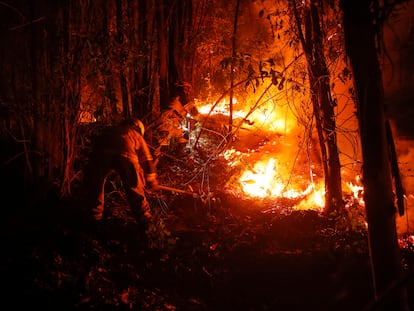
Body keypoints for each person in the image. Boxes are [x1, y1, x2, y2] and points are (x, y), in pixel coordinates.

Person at [83, 118, 159, 235]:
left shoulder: (109, 130)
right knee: (134, 186)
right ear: (137, 128)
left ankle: (94, 218)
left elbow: (94, 149)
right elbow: (146, 159)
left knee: (96, 185)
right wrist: (151, 179)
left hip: (101, 153)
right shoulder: (134, 134)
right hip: (126, 153)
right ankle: (145, 221)